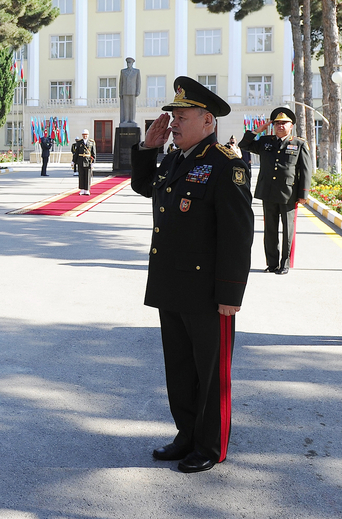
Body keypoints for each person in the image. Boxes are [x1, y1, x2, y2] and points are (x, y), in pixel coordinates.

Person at [131, 76, 254, 473]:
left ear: (208, 121)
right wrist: (149, 148)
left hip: (208, 292)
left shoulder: (225, 164)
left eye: (182, 116)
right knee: (180, 369)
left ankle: (211, 446)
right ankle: (186, 436)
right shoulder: (173, 158)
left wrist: (231, 294)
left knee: (211, 374)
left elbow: (238, 235)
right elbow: (144, 186)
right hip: (172, 284)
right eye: (173, 115)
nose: (174, 123)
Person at [239, 107, 313, 275]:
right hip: (268, 192)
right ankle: (272, 263)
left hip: (289, 194)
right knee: (270, 230)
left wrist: (303, 194)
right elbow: (244, 145)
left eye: (284, 123)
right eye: (277, 123)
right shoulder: (265, 141)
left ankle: (284, 264)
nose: (280, 126)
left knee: (287, 231)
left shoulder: (299, 144)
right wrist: (258, 130)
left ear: (291, 125)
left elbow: (306, 171)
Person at [119, 57, 141, 126]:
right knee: (126, 107)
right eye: (128, 62)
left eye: (130, 62)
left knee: (132, 106)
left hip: (133, 92)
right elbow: (121, 82)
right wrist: (120, 92)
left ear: (132, 63)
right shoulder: (123, 71)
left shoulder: (136, 71)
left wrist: (138, 91)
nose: (129, 64)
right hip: (125, 91)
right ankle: (126, 119)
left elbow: (138, 82)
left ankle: (132, 119)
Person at [74, 129, 96, 195]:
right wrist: (73, 161)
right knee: (81, 175)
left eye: (86, 135)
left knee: (87, 176)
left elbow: (93, 153)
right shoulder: (79, 142)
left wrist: (93, 163)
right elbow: (76, 153)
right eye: (84, 135)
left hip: (88, 161)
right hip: (80, 161)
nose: (85, 136)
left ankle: (87, 189)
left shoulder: (91, 142)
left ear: (88, 135)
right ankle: (82, 189)